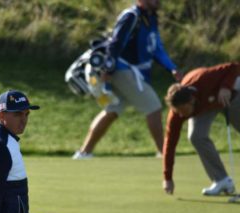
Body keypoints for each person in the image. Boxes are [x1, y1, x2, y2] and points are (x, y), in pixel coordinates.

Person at [72, 0, 181, 160]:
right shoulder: (131, 16)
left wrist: (172, 67)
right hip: (122, 70)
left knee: (113, 109)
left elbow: (156, 48)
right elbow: (115, 44)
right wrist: (108, 69)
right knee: (153, 106)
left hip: (132, 72)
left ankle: (84, 152)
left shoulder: (151, 18)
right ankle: (164, 153)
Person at [163, 62, 240, 195]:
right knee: (196, 136)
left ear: (191, 100)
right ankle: (221, 180)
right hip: (205, 107)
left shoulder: (203, 78)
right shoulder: (176, 113)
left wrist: (225, 87)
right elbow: (170, 143)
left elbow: (234, 66)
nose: (181, 115)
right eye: (178, 111)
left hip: (230, 94)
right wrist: (167, 178)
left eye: (183, 110)